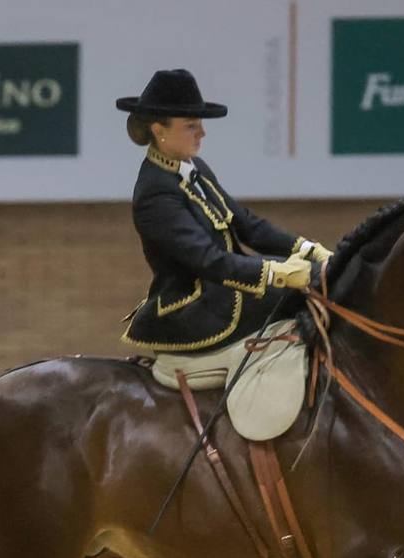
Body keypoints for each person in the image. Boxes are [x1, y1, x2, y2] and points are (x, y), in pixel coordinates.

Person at [115, 68, 331, 359]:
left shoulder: (194, 167)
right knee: (310, 287)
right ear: (159, 130)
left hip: (223, 290)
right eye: (191, 125)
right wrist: (277, 273)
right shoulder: (155, 193)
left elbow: (246, 224)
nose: (202, 132)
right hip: (195, 307)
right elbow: (208, 259)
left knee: (323, 276)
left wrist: (309, 250)